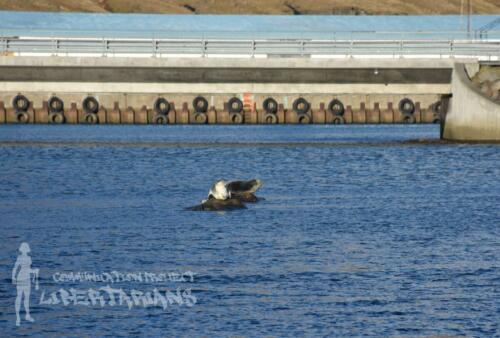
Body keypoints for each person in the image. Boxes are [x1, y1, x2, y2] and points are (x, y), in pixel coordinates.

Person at [12, 242, 38, 327]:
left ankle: (26, 315)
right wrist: (13, 278)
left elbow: (27, 269)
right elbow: (15, 268)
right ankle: (18, 317)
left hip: (26, 279)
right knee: (20, 297)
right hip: (22, 279)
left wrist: (34, 271)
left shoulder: (29, 258)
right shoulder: (20, 258)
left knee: (25, 298)